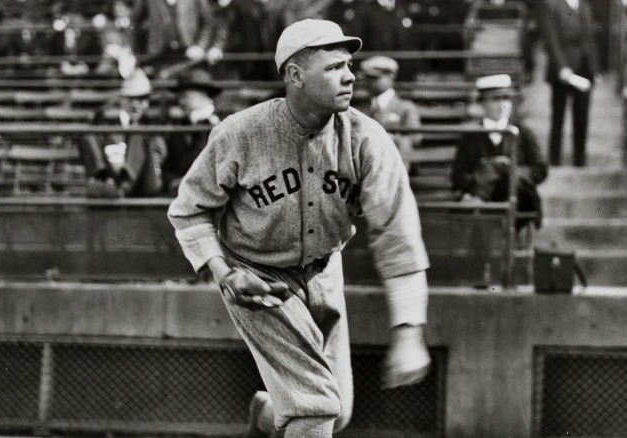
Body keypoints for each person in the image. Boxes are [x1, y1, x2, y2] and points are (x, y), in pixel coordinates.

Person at [167, 19, 431, 438]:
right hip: (258, 278)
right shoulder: (240, 133)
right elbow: (188, 212)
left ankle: (266, 413)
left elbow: (398, 236)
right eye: (333, 67)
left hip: (325, 270)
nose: (350, 76)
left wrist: (409, 332)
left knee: (336, 411)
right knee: (316, 406)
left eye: (349, 64)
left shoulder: (366, 139)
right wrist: (224, 273)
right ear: (295, 75)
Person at [451, 74, 548, 231]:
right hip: (488, 208)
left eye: (506, 99)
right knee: (494, 166)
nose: (502, 105)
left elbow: (540, 169)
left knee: (499, 166)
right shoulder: (470, 137)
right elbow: (458, 175)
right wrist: (482, 177)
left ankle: (479, 198)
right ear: (482, 103)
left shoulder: (522, 132)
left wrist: (512, 171)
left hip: (518, 198)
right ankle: (481, 196)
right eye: (495, 99)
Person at [80, 69, 167, 198]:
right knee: (89, 135)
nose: (137, 105)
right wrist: (114, 160)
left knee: (139, 134)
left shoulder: (152, 124)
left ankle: (122, 187)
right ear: (122, 99)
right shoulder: (107, 121)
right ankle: (102, 181)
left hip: (141, 183)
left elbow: (159, 155)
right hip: (111, 175)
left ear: (148, 102)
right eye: (132, 99)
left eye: (142, 99)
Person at [539, 0, 598, 167]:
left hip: (583, 68)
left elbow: (589, 39)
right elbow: (551, 40)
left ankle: (579, 158)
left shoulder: (585, 6)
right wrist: (561, 67)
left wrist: (594, 68)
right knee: (558, 117)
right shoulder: (553, 6)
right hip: (562, 69)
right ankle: (554, 159)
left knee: (581, 116)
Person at [358, 55, 422, 172]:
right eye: (367, 79)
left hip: (395, 165)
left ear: (391, 77)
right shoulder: (362, 108)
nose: (369, 83)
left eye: (375, 78)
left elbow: (415, 138)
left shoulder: (406, 107)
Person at [163, 68, 221, 196]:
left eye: (185, 95)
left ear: (203, 95)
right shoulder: (179, 125)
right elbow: (168, 165)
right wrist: (172, 181)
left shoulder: (220, 124)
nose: (181, 102)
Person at [130, 0, 214, 74]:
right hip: (158, 57)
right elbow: (135, 22)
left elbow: (207, 21)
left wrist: (200, 46)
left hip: (188, 56)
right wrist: (135, 51)